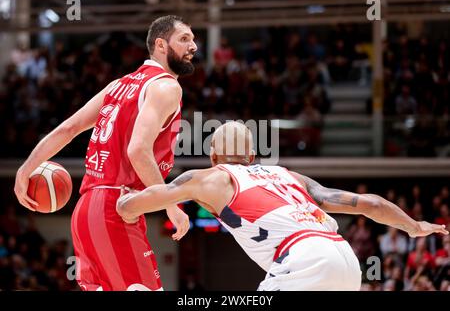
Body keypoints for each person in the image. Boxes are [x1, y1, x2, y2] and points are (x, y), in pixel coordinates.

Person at [116, 121, 448, 291]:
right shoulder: (288, 175)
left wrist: (123, 202)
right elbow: (370, 204)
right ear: (250, 157)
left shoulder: (211, 177)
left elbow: (145, 201)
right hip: (346, 260)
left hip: (303, 260)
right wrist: (414, 227)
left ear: (214, 157)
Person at [14, 15, 197, 291]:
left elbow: (69, 128)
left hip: (86, 209)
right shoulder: (167, 87)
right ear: (161, 45)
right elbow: (138, 150)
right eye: (184, 39)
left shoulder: (118, 85)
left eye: (193, 39)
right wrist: (171, 204)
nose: (193, 46)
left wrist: (25, 169)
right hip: (117, 208)